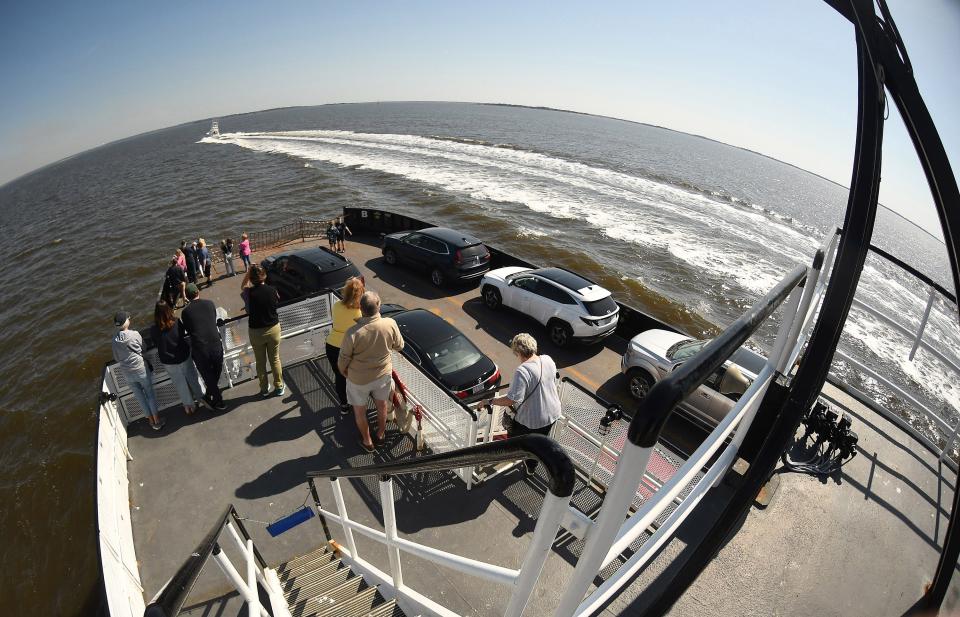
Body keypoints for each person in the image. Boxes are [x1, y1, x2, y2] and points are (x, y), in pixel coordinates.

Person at [482, 333, 561, 474]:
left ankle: (525, 462)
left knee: (523, 443)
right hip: (553, 413)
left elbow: (512, 399)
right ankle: (532, 467)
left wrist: (490, 401)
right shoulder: (547, 360)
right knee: (541, 442)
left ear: (518, 352)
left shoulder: (523, 371)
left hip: (533, 420)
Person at [338, 291, 404, 452]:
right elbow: (399, 346)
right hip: (382, 375)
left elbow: (343, 359)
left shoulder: (353, 333)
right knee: (381, 406)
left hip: (358, 379)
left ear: (360, 308)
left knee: (360, 411)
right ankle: (380, 435)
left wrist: (344, 372)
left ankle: (368, 442)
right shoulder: (390, 324)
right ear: (379, 306)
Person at [111, 311, 164, 430]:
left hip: (127, 373)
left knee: (140, 397)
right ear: (126, 322)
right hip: (140, 370)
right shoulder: (135, 334)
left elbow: (116, 358)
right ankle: (157, 421)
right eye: (128, 318)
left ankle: (150, 421)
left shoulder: (114, 340)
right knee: (150, 394)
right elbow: (143, 348)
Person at [150, 301, 205, 415]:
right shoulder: (176, 322)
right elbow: (183, 335)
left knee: (179, 383)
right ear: (169, 310)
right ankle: (202, 398)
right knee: (192, 377)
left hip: (168, 361)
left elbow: (156, 343)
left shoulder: (154, 329)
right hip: (183, 355)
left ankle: (189, 406)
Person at [181, 283, 227, 410]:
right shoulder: (210, 303)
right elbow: (212, 319)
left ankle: (215, 399)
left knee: (207, 375)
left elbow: (189, 329)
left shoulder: (185, 312)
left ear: (187, 297)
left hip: (200, 348)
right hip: (215, 343)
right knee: (216, 371)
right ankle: (214, 397)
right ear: (197, 292)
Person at [326, 277, 364, 415]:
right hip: (350, 348)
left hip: (332, 345)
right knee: (354, 376)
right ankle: (358, 404)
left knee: (339, 376)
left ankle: (344, 405)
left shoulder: (336, 306)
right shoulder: (359, 312)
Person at [246, 264, 284, 397]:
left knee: (260, 362)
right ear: (265, 276)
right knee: (275, 359)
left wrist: (248, 273)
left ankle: (264, 389)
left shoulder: (248, 293)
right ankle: (279, 386)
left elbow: (243, 286)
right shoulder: (273, 290)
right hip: (273, 328)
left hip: (256, 332)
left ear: (251, 279)